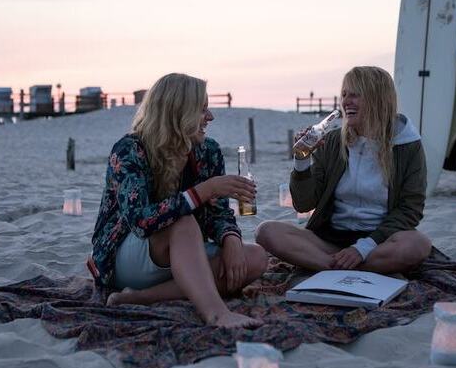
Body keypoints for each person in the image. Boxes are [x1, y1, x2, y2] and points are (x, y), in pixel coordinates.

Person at [88, 73, 267, 328]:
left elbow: (219, 214)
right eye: (202, 110)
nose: (210, 117)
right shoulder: (130, 150)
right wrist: (203, 191)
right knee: (182, 223)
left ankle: (141, 298)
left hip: (183, 255)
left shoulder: (208, 151)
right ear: (177, 113)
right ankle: (217, 313)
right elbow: (140, 221)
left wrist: (231, 240)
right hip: (129, 258)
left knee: (256, 257)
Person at [255, 66, 432, 274]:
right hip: (329, 240)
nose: (346, 101)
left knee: (417, 244)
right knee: (266, 231)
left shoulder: (407, 145)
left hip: (379, 242)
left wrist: (362, 248)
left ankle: (329, 266)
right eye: (344, 94)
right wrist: (301, 160)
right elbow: (303, 204)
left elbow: (410, 209)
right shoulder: (332, 141)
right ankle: (341, 267)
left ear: (377, 98)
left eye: (355, 94)